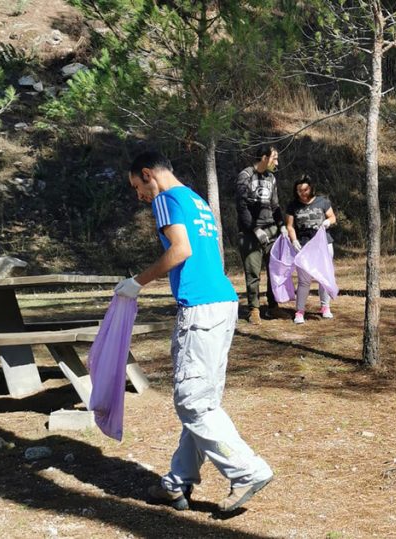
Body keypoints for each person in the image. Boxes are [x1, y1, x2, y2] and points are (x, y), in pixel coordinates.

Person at [116, 150, 273, 513]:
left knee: (193, 402)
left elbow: (181, 250)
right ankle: (177, 482)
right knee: (203, 400)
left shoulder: (167, 199)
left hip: (200, 306)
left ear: (147, 175)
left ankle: (247, 470)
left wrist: (137, 283)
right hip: (222, 301)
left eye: (136, 187)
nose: (138, 195)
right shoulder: (196, 199)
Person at [235, 146, 283, 324]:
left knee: (274, 270)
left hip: (271, 231)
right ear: (264, 157)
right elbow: (241, 206)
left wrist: (281, 226)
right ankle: (253, 309)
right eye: (274, 158)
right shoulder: (245, 176)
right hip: (250, 233)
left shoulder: (271, 178)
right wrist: (254, 229)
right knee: (253, 272)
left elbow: (275, 206)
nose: (276, 163)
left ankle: (273, 306)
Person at [284, 175, 337, 324]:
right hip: (303, 245)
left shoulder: (323, 202)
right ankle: (300, 311)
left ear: (311, 188)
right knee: (304, 280)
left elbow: (333, 217)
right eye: (299, 190)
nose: (303, 193)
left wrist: (327, 222)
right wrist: (293, 239)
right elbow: (289, 226)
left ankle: (325, 307)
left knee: (324, 276)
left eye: (305, 189)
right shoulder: (292, 206)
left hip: (323, 244)